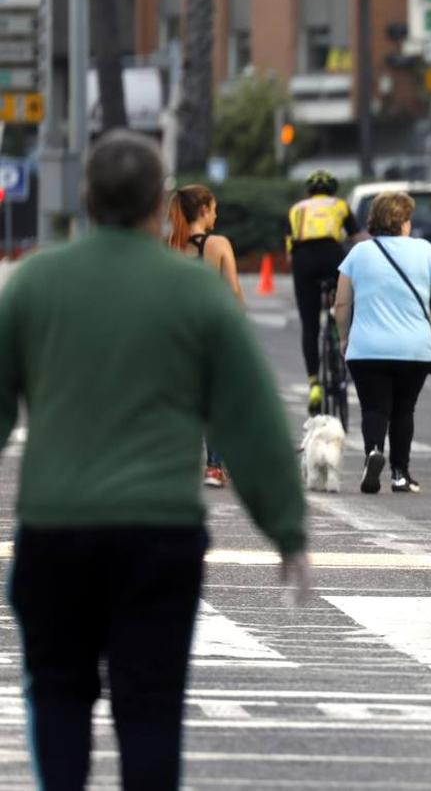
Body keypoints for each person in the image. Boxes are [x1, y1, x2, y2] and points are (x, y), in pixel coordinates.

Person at [0, 130, 310, 790]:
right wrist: (287, 529)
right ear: (156, 207)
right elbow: (250, 419)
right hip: (159, 533)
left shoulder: (33, 283)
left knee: (55, 692)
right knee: (150, 706)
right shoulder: (195, 293)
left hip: (54, 528)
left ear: (85, 199)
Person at [336, 191, 431, 494]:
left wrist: (344, 337)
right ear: (403, 222)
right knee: (404, 410)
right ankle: (400, 474)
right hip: (414, 349)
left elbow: (342, 304)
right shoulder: (423, 249)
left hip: (366, 349)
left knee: (374, 408)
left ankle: (373, 452)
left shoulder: (359, 253)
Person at [168, 183, 246, 489]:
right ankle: (214, 467)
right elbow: (234, 291)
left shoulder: (168, 245)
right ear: (203, 210)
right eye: (214, 209)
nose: (216, 215)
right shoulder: (218, 245)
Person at [288, 170, 361, 414]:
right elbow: (357, 236)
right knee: (347, 301)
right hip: (332, 255)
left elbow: (291, 243)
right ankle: (343, 343)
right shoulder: (339, 205)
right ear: (333, 190)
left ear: (309, 192)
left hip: (303, 259)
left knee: (309, 324)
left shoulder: (297, 209)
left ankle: (314, 384)